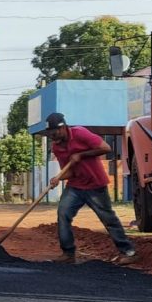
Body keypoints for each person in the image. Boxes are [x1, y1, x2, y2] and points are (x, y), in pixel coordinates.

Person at [43, 112, 137, 265]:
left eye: (54, 133)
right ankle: (68, 253)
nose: (53, 137)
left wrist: (82, 155)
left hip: (95, 185)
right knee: (63, 213)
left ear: (63, 127)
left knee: (108, 218)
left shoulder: (80, 133)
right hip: (75, 186)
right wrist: (58, 178)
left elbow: (106, 148)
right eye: (50, 134)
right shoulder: (56, 147)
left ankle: (128, 251)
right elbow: (70, 171)